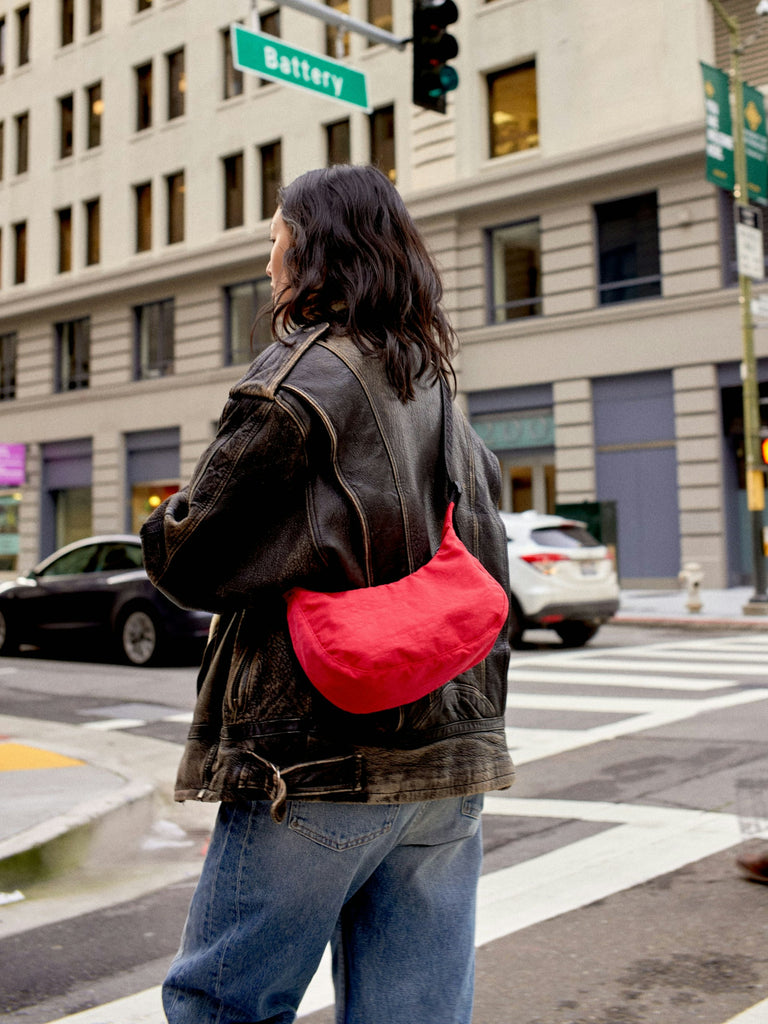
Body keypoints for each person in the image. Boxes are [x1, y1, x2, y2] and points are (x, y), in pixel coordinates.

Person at [141, 164, 515, 1024]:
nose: (268, 257)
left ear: (308, 248)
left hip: (313, 759)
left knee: (222, 1006)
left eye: (275, 234)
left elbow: (191, 558)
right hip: (448, 759)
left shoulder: (297, 380)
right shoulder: (432, 380)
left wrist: (164, 520)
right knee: (411, 1014)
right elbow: (489, 560)